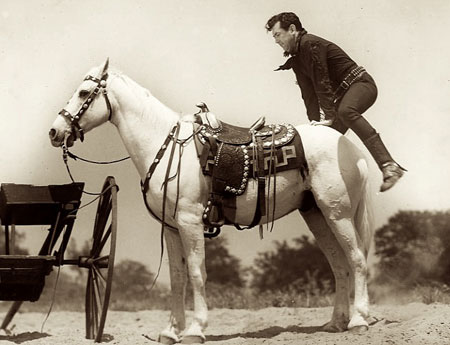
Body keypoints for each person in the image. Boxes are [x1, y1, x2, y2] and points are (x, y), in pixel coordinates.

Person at [265, 12, 405, 192]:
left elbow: (321, 81)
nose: (276, 41)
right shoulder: (297, 60)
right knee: (324, 140)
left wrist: (329, 115)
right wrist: (315, 127)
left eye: (277, 35)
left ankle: (389, 166)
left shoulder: (310, 44)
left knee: (346, 111)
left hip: (361, 85)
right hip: (342, 99)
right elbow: (309, 96)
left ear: (292, 29)